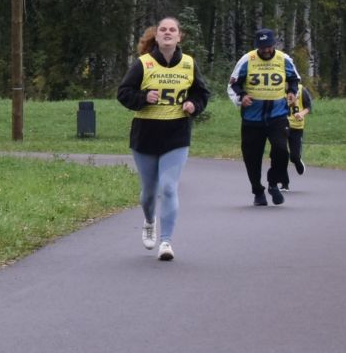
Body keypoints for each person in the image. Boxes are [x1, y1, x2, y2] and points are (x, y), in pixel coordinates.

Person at [115, 16, 208, 262]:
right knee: (148, 193)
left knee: (168, 187)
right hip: (145, 133)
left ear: (179, 37)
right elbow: (123, 93)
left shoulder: (188, 63)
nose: (167, 33)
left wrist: (193, 105)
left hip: (176, 134)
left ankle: (166, 241)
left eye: (172, 30)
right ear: (156, 37)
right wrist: (144, 97)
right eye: (163, 30)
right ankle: (149, 221)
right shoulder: (143, 64)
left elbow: (202, 93)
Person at [227, 28, 303, 206]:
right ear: (257, 47)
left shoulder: (284, 59)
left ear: (273, 44)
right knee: (252, 157)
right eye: (262, 47)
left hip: (277, 116)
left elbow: (294, 79)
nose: (266, 50)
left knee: (282, 151)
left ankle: (273, 182)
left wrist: (292, 92)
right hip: (252, 118)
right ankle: (257, 191)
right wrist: (241, 97)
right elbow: (233, 84)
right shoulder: (247, 59)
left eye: (268, 46)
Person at [284, 81, 313, 186]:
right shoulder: (277, 90)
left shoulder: (301, 90)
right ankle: (284, 183)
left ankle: (297, 161)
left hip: (297, 126)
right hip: (282, 125)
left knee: (294, 156)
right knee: (281, 154)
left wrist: (301, 113)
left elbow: (309, 107)